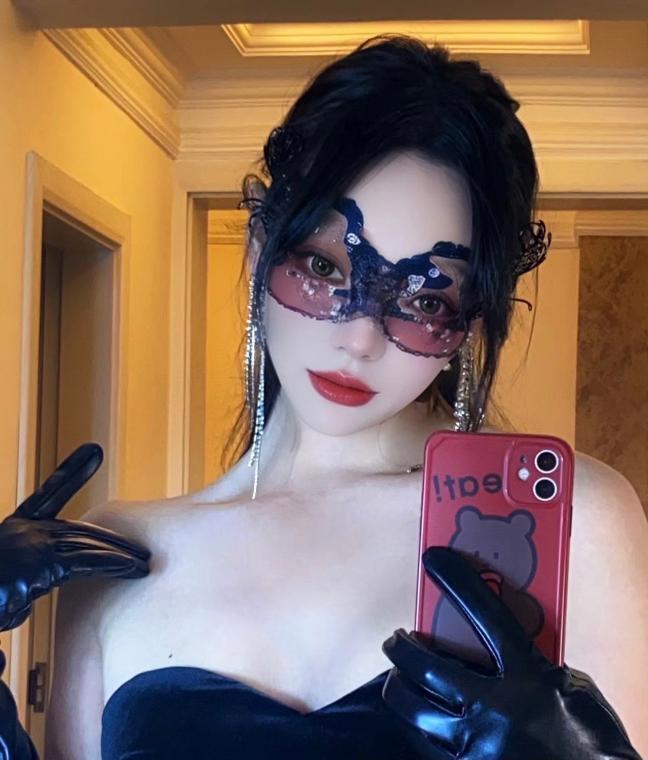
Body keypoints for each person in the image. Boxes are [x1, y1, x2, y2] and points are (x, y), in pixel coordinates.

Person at [21, 35, 645, 758]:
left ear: (472, 321)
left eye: (425, 299)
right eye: (324, 266)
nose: (359, 338)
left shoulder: (578, 525)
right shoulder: (117, 554)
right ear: (260, 244)